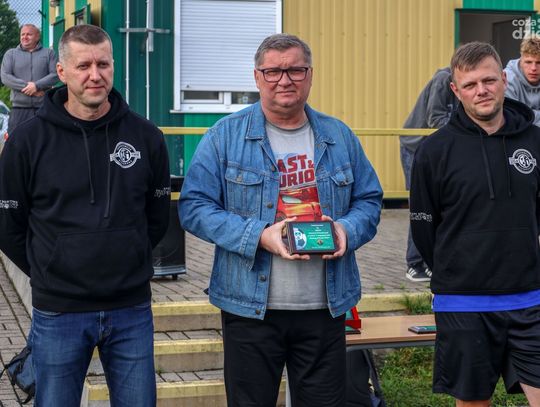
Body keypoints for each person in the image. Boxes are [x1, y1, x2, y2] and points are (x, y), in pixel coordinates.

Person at [178, 33, 382, 406]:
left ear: (310, 74)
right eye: (273, 71)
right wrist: (259, 236)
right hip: (249, 309)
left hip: (324, 309)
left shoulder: (339, 136)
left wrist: (344, 230)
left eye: (295, 70)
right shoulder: (224, 136)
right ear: (257, 77)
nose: (284, 80)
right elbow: (194, 207)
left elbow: (369, 199)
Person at [0, 24, 171, 406]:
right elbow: (8, 225)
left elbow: (158, 217)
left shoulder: (146, 137)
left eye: (103, 64)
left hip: (130, 309)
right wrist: (50, 268)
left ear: (113, 67)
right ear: (61, 72)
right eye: (83, 66)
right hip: (59, 310)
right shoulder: (28, 141)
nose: (95, 75)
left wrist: (127, 256)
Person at [410, 41, 540, 406]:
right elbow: (424, 229)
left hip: (530, 299)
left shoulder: (535, 141)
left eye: (488, 80)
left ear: (503, 80)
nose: (481, 90)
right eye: (470, 85)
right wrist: (459, 269)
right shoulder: (434, 151)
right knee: (473, 402)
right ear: (456, 90)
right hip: (463, 303)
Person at [400, 67, 457, 282]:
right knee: (421, 205)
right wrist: (467, 126)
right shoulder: (443, 79)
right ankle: (414, 264)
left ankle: (431, 260)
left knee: (440, 204)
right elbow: (435, 119)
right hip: (416, 148)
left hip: (439, 149)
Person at [0, 24, 58, 135]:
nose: (25, 37)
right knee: (17, 143)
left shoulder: (49, 53)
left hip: (43, 108)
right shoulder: (11, 54)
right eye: (22, 34)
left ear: (37, 37)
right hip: (19, 110)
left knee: (44, 141)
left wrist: (36, 86)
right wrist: (30, 88)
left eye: (29, 34)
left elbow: (55, 74)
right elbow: (5, 76)